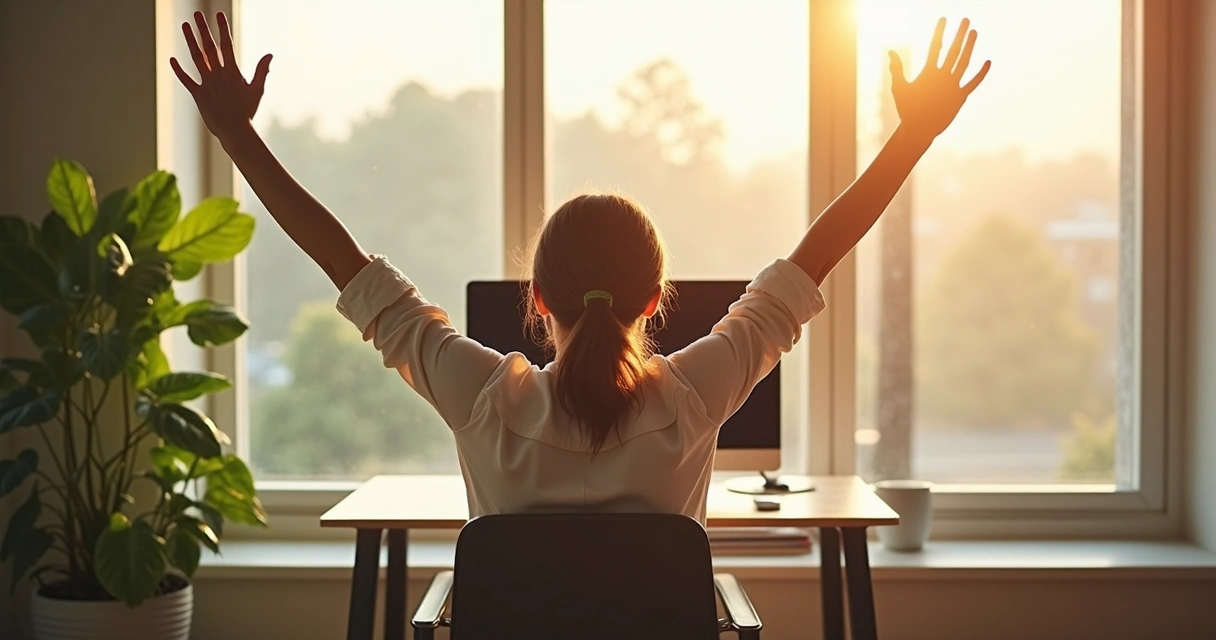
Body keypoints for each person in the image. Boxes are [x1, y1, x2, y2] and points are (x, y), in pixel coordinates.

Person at [171, 11, 989, 523]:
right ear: (656, 299)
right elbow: (811, 263)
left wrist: (237, 136)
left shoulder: (485, 400)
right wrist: (912, 135)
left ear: (536, 297)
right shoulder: (696, 394)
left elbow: (348, 269)